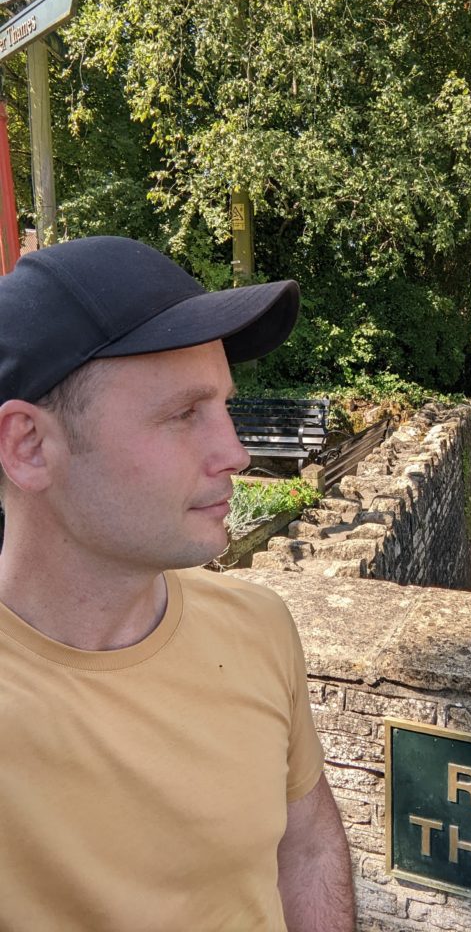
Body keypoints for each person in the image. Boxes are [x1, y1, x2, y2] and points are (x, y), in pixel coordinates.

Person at [0, 236, 355, 932]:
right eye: (183, 414)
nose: (236, 452)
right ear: (30, 446)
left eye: (223, 404)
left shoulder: (257, 627)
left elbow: (306, 844)